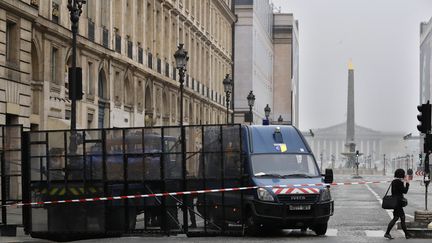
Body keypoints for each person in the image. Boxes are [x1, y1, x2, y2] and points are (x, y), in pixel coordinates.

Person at [384, 168, 412, 239]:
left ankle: (406, 234)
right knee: (400, 218)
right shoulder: (399, 182)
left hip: (396, 202)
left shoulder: (394, 181)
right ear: (401, 174)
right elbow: (405, 191)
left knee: (397, 218)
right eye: (403, 174)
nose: (404, 175)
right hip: (398, 203)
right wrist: (407, 182)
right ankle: (406, 234)